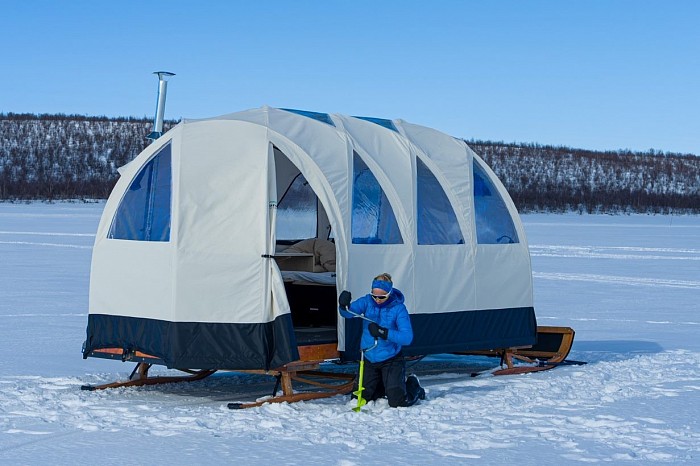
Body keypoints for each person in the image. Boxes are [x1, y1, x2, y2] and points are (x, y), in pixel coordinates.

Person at [338, 273, 425, 407]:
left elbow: (407, 338)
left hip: (391, 358)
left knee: (397, 402)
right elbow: (348, 313)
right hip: (369, 357)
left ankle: (414, 385)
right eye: (375, 295)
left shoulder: (398, 308)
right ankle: (384, 386)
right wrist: (343, 306)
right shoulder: (366, 301)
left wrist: (383, 332)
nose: (377, 299)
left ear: (389, 293)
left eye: (382, 297)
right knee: (359, 399)